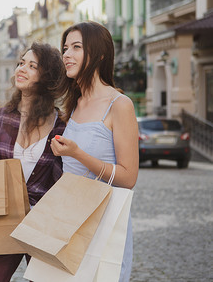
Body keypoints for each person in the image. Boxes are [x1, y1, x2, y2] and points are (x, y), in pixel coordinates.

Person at [0, 42, 66, 282]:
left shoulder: (62, 126)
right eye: (21, 63)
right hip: (3, 218)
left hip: (44, 224)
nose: (21, 68)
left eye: (32, 66)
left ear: (47, 77)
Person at [50, 21, 139, 281]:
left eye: (76, 47)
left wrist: (77, 153)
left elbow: (128, 177)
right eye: (65, 48)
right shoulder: (74, 103)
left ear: (99, 54)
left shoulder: (119, 104)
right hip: (71, 218)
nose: (66, 54)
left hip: (104, 222)